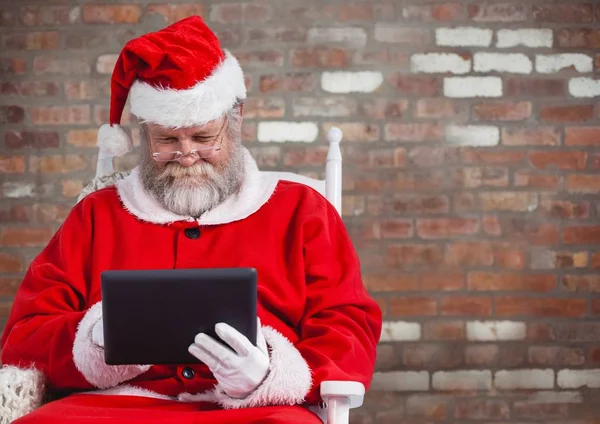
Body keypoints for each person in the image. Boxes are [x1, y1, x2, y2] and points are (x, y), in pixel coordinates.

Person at [0, 15, 382, 424]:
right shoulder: (96, 215)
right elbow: (23, 338)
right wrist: (93, 339)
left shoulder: (301, 210)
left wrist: (269, 372)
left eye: (203, 138)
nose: (186, 154)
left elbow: (348, 325)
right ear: (144, 137)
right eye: (166, 140)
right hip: (114, 406)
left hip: (260, 409)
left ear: (235, 124)